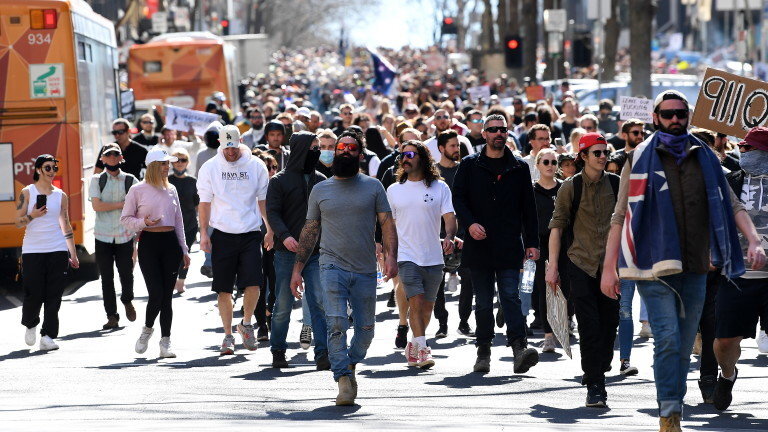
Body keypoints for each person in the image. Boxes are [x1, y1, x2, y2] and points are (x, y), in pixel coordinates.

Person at [600, 90, 758, 431]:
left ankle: (672, 407)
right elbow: (619, 215)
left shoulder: (705, 157)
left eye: (680, 113)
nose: (674, 119)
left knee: (684, 344)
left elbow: (732, 205)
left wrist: (755, 238)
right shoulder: (638, 157)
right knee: (669, 338)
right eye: (667, 113)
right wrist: (609, 268)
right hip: (651, 267)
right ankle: (669, 414)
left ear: (687, 116)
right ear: (656, 117)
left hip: (697, 268)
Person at [290, 131, 397, 406]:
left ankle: (350, 364)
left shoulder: (373, 186)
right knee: (336, 322)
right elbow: (310, 230)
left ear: (360, 154)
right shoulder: (321, 189)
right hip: (331, 265)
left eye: (351, 148)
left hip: (364, 269)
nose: (345, 152)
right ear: (335, 154)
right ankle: (342, 379)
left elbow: (386, 223)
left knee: (366, 330)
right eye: (341, 148)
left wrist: (391, 256)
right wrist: (298, 267)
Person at [452, 114, 540, 375]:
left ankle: (519, 348)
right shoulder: (469, 165)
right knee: (483, 302)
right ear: (484, 134)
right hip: (478, 246)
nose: (498, 134)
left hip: (509, 244)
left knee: (511, 297)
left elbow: (529, 208)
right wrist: (469, 224)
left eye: (503, 129)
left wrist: (532, 242)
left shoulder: (519, 167)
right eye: (493, 130)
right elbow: (458, 198)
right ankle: (483, 351)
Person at [546, 133, 620, 408]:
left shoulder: (616, 183)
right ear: (583, 156)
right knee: (589, 327)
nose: (603, 157)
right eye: (597, 153)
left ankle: (597, 369)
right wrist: (553, 266)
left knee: (609, 324)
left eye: (605, 153)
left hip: (611, 268)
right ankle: (596, 385)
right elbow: (557, 227)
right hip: (580, 265)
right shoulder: (570, 187)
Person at [197, 125, 273, 355]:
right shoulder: (210, 167)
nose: (231, 151)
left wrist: (269, 229)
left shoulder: (256, 165)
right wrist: (203, 234)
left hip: (250, 232)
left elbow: (262, 200)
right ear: (220, 144)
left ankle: (246, 323)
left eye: (234, 146)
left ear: (240, 141)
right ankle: (228, 335)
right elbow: (204, 202)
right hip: (222, 233)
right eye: (226, 147)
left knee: (254, 283)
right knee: (224, 289)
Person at [712, 126, 768, 411]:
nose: (741, 153)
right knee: (724, 342)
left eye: (747, 149)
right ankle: (727, 374)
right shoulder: (730, 182)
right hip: (737, 275)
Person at [387, 140, 456, 368]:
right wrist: (388, 253)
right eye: (401, 155)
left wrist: (449, 236)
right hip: (407, 256)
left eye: (409, 154)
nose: (404, 159)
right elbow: (390, 226)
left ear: (423, 158)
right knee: (415, 301)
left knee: (427, 308)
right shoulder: (394, 190)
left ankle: (415, 345)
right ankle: (423, 350)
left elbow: (449, 218)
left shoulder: (440, 187)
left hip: (434, 257)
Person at [265, 131, 329, 370]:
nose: (317, 152)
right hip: (285, 252)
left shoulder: (321, 180)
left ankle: (322, 353)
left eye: (318, 147)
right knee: (282, 304)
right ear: (301, 149)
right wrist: (285, 236)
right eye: (313, 147)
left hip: (315, 252)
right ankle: (278, 351)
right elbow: (273, 212)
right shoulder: (279, 181)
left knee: (318, 302)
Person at [121, 148, 191, 358]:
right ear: (152, 166)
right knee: (156, 293)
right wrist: (144, 222)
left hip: (171, 244)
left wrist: (185, 250)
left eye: (168, 163)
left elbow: (179, 222)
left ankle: (165, 342)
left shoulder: (172, 189)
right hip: (149, 242)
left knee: (167, 297)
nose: (167, 167)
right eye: (163, 163)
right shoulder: (137, 190)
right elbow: (125, 219)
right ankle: (147, 330)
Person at [16, 154, 80, 351]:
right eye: (48, 167)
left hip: (57, 250)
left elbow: (66, 225)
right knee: (34, 294)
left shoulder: (61, 196)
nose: (52, 171)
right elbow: (18, 223)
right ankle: (30, 323)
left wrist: (73, 253)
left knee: (54, 296)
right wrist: (33, 215)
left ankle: (48, 336)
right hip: (33, 251)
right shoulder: (26, 193)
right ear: (38, 170)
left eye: (54, 168)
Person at [89, 143, 139, 329]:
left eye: (115, 154)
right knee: (107, 278)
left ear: (121, 158)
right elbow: (97, 206)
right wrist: (122, 204)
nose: (111, 157)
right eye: (108, 154)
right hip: (102, 236)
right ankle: (112, 316)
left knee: (126, 274)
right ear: (102, 159)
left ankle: (127, 300)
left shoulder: (131, 180)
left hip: (125, 235)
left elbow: (136, 207)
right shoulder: (96, 180)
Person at [433, 130, 474, 337]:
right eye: (452, 146)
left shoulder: (465, 171)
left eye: (458, 145)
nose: (456, 149)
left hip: (465, 233)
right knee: (436, 280)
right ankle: (442, 322)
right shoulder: (433, 174)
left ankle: (464, 321)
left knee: (468, 277)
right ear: (441, 148)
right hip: (438, 234)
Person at [531, 149, 564, 353]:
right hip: (540, 244)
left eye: (554, 161)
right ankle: (548, 335)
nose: (550, 165)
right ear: (537, 165)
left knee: (564, 287)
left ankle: (564, 324)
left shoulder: (564, 189)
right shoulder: (530, 191)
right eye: (546, 162)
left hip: (565, 243)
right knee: (545, 290)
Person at [168, 148, 199, 294]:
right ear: (171, 163)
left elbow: (198, 204)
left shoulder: (193, 181)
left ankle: (181, 281)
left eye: (183, 160)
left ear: (188, 162)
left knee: (185, 252)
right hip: (170, 225)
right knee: (173, 254)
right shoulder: (166, 180)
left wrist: (203, 226)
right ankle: (172, 279)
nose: (180, 163)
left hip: (190, 224)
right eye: (176, 160)